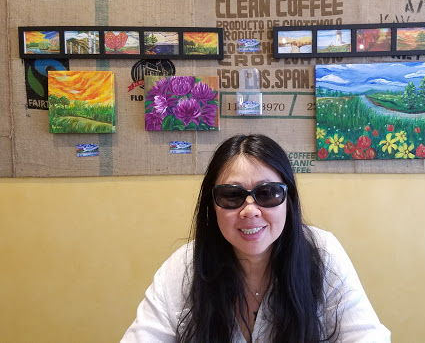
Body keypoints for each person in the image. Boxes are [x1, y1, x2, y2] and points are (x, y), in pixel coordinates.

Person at [121, 134, 390, 342]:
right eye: (231, 195)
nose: (250, 210)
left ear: (288, 200)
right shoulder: (183, 268)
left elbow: (367, 336)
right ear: (212, 205)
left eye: (268, 193)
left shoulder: (323, 252)